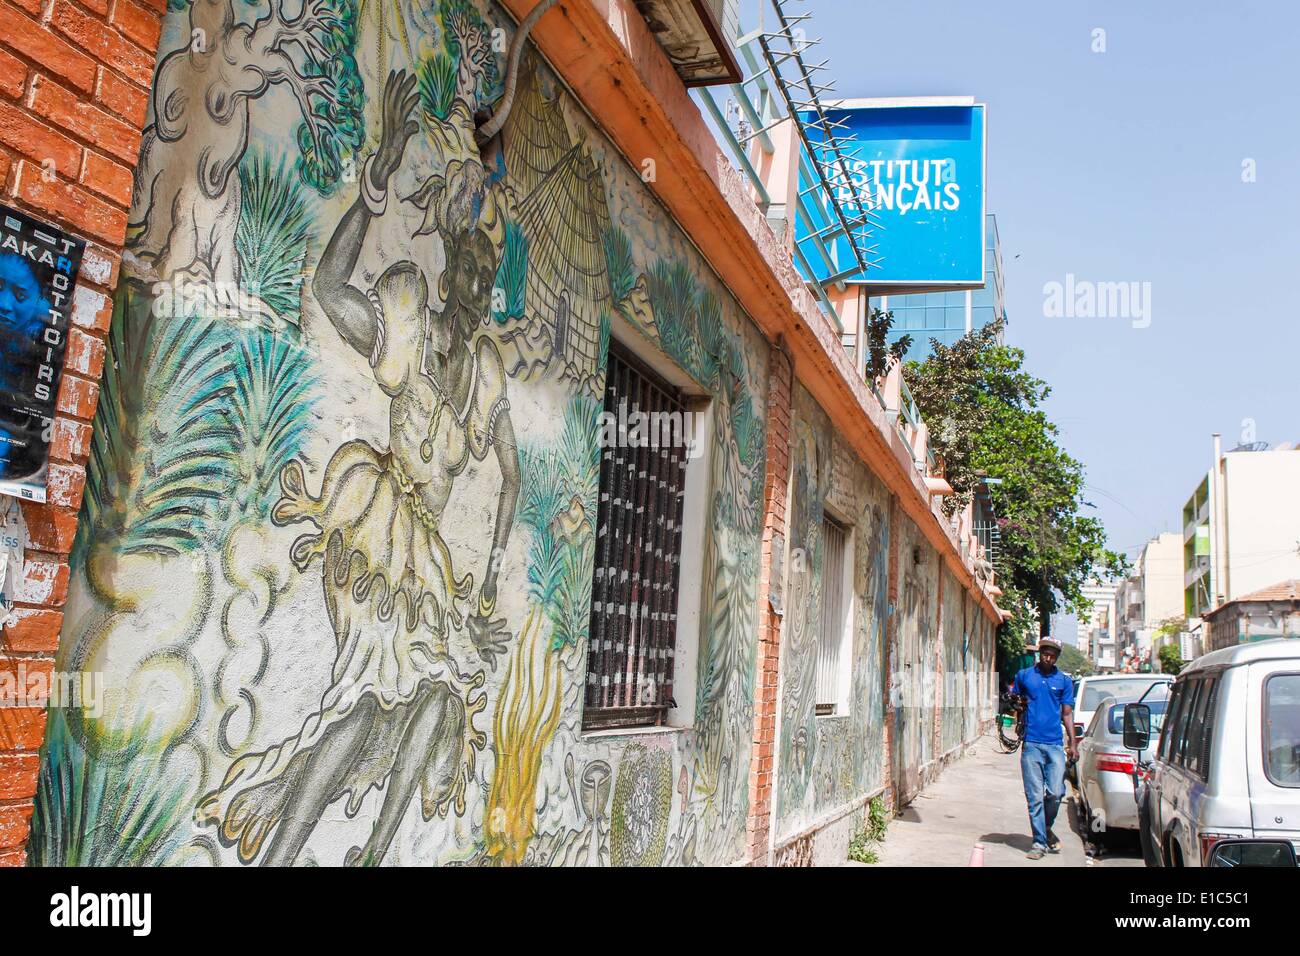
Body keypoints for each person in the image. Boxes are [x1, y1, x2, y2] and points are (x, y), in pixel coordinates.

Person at [1011, 636, 1077, 859]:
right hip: (1031, 743)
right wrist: (1015, 704)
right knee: (1035, 797)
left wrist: (1073, 743)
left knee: (1056, 792)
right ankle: (1039, 842)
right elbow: (1014, 699)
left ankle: (1045, 828)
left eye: (1052, 655)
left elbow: (1067, 713)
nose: (1048, 657)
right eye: (1045, 653)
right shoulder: (1025, 676)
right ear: (1040, 654)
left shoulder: (1064, 681)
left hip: (1054, 744)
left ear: (1057, 657)